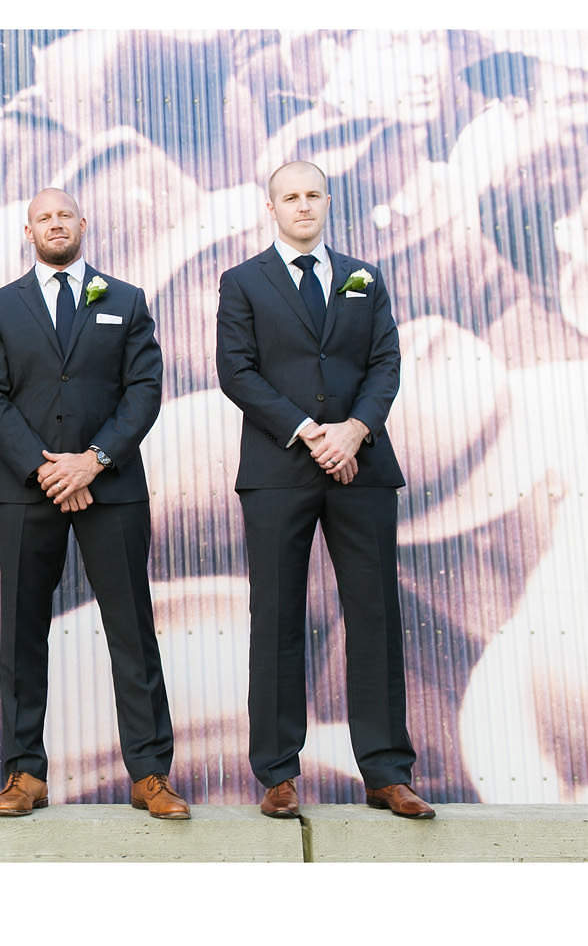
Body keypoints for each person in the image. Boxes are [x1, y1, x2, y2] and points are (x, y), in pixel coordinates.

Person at [215, 160, 434, 820]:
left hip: (361, 467)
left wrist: (357, 429)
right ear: (271, 207)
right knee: (278, 618)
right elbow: (237, 372)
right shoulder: (243, 281)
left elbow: (385, 362)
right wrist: (313, 432)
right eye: (291, 197)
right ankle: (278, 773)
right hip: (280, 469)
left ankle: (386, 772)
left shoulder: (365, 276)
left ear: (327, 201)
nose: (303, 206)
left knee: (374, 616)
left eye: (312, 195)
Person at [0, 188, 187, 819]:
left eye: (65, 215)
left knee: (132, 630)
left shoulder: (125, 300)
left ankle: (150, 773)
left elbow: (144, 390)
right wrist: (47, 469)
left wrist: (92, 461)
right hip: (25, 487)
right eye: (44, 218)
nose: (55, 225)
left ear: (84, 225)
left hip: (110, 485)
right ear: (28, 231)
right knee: (21, 632)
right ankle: (24, 773)